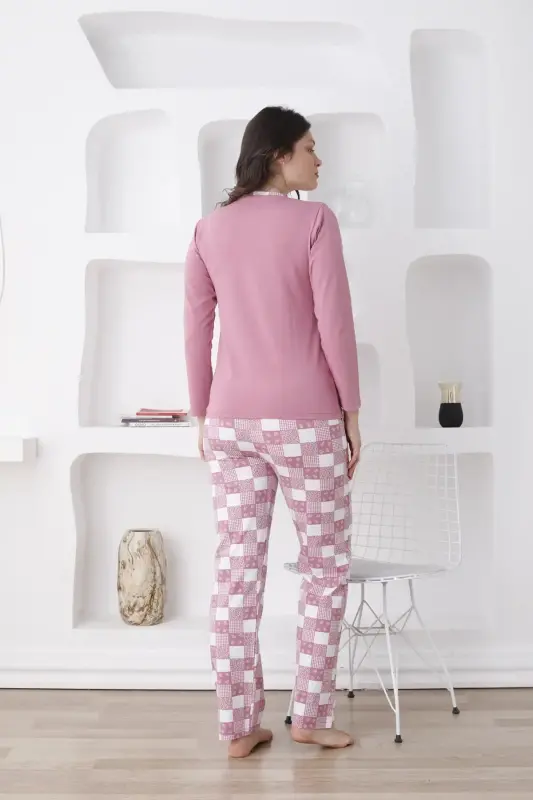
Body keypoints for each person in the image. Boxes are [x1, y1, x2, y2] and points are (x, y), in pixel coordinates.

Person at [184, 106, 361, 758]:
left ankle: (238, 726)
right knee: (324, 567)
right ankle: (309, 715)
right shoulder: (314, 221)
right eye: (310, 148)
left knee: (236, 571)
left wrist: (202, 415)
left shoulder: (208, 229)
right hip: (307, 420)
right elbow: (334, 322)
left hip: (230, 422)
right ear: (279, 155)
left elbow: (195, 328)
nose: (319, 160)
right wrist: (351, 412)